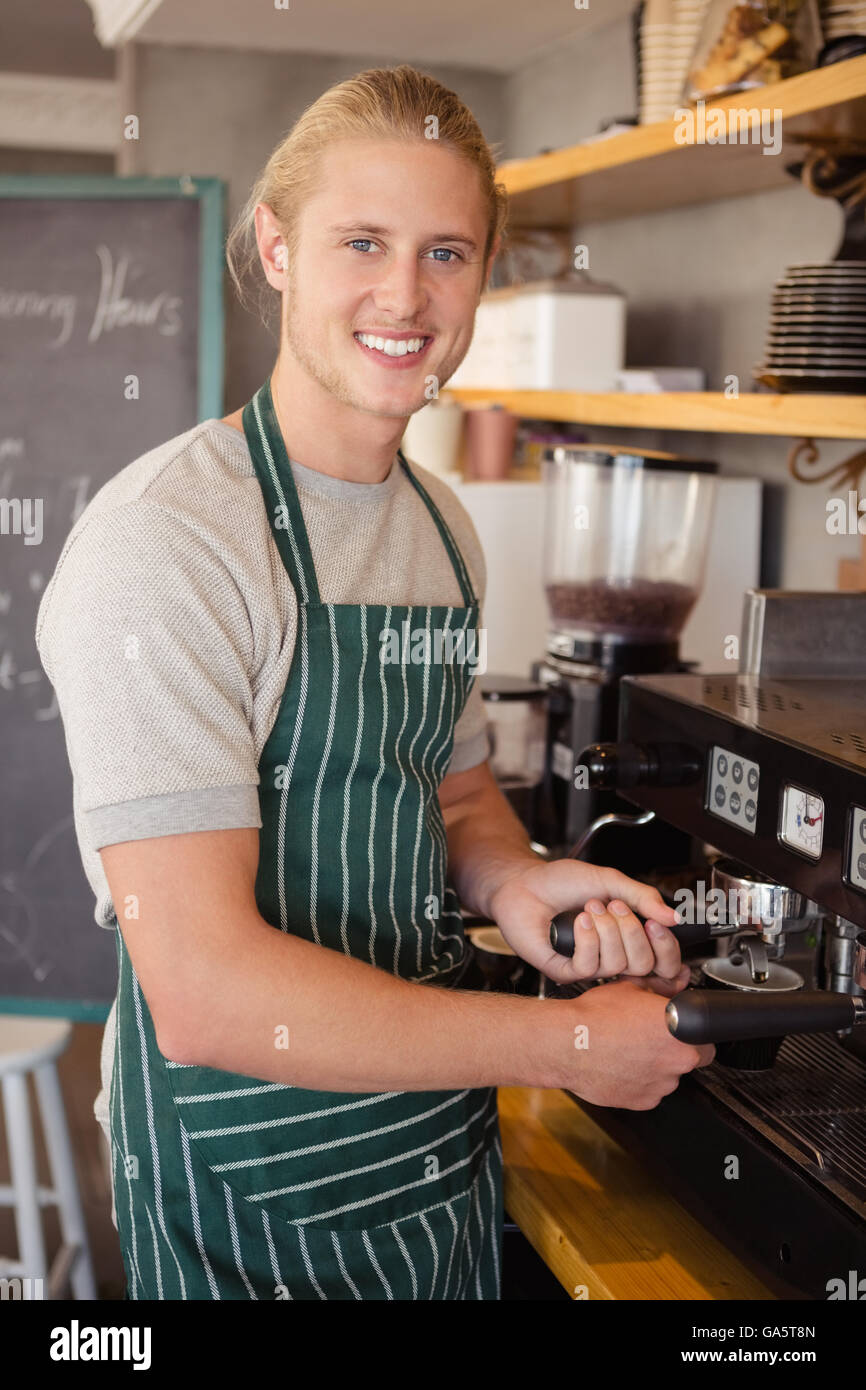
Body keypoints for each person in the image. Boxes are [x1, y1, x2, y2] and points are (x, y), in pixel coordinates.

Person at [36, 64, 713, 1302]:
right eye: (362, 241)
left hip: (428, 1140)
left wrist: (515, 883)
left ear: (485, 272)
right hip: (244, 1179)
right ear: (276, 247)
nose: (405, 296)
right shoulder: (167, 546)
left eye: (446, 252)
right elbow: (203, 992)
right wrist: (564, 1044)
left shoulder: (440, 525)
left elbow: (451, 795)